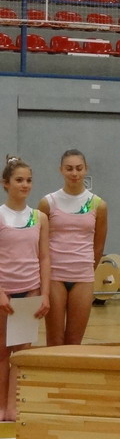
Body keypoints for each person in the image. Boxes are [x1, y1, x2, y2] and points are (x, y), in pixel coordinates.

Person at [39, 148, 108, 346]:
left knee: (74, 341)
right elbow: (39, 244)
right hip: (54, 276)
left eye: (79, 168)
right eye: (69, 168)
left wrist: (86, 269)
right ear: (61, 170)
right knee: (54, 340)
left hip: (83, 277)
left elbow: (98, 245)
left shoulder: (98, 204)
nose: (74, 173)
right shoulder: (47, 203)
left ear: (86, 169)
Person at [0, 157, 49, 421]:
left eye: (28, 180)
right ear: (5, 184)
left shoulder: (39, 217)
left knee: (21, 353)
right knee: (2, 352)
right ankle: (0, 405)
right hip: (3, 293)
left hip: (29, 292)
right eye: (19, 180)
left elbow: (45, 258)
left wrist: (44, 294)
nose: (25, 185)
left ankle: (13, 405)